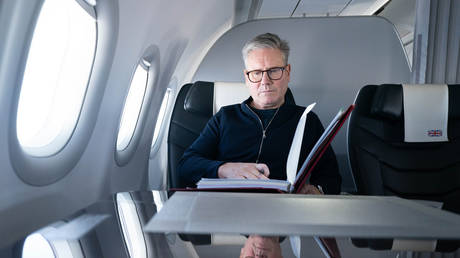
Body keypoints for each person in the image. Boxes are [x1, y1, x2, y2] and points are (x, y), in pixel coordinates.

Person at [177, 33, 341, 257]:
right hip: (228, 209)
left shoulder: (307, 119)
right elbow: (186, 165)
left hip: (287, 213)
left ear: (287, 72)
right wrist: (225, 169)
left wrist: (317, 191)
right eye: (256, 73)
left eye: (274, 71)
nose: (265, 81)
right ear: (247, 77)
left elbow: (331, 177)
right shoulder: (225, 117)